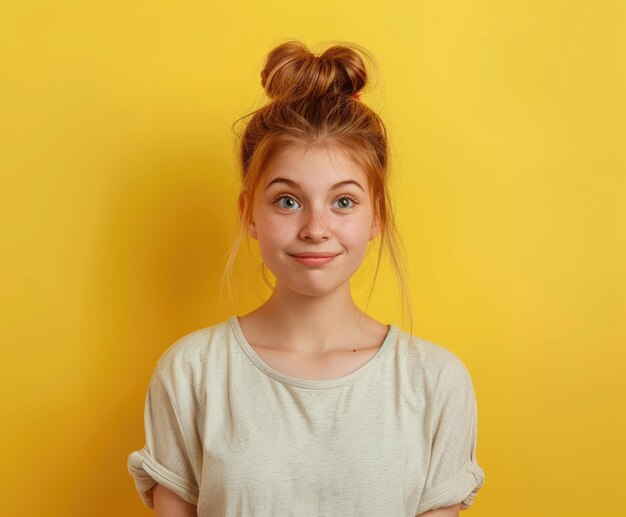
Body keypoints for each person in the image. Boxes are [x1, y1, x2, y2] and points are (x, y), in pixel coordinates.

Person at [127, 39, 485, 517]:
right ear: (249, 214)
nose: (316, 229)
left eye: (343, 202)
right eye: (287, 200)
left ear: (376, 215)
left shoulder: (436, 383)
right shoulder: (191, 373)